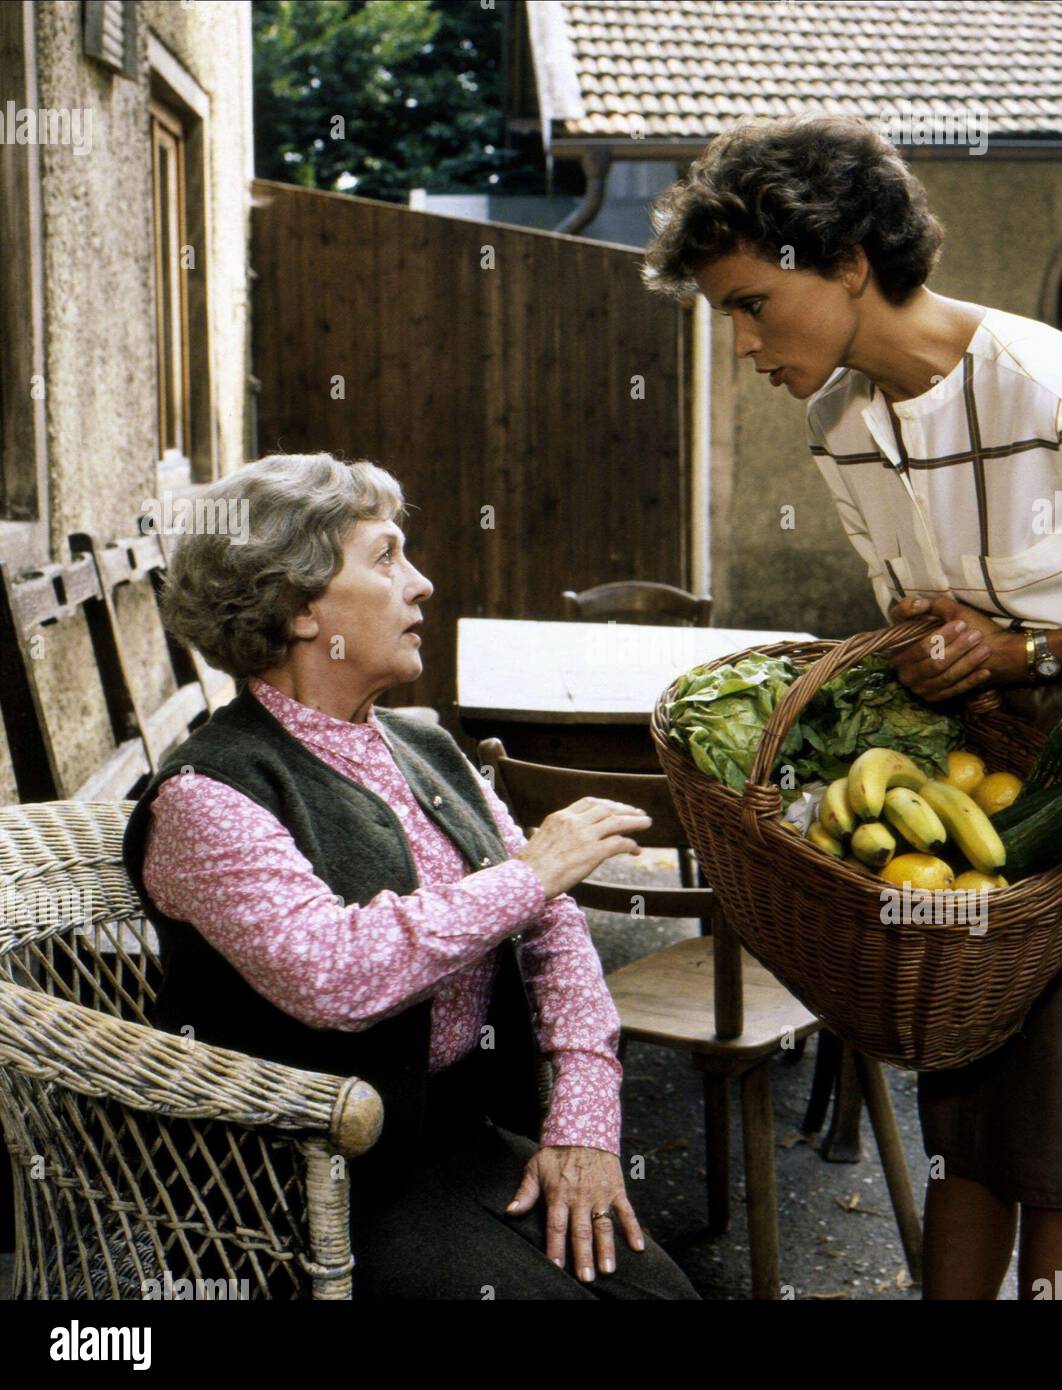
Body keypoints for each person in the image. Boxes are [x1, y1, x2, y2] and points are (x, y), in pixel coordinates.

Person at [641, 113, 1062, 1299]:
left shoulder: (1049, 384)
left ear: (846, 263)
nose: (741, 343)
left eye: (750, 303)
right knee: (966, 1091)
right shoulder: (839, 418)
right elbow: (918, 606)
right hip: (984, 748)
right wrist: (935, 648)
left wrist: (1022, 646)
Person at [121, 452, 700, 1300]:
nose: (422, 583)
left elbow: (551, 931)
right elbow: (336, 975)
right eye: (386, 557)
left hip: (458, 1134)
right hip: (304, 1175)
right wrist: (531, 872)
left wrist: (584, 1117)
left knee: (664, 1297)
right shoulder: (208, 793)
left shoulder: (420, 743)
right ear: (299, 604)